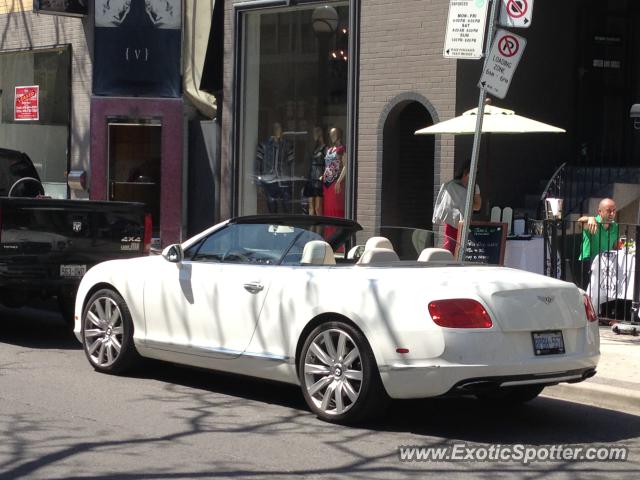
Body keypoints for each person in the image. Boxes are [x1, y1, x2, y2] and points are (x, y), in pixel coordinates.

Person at [432, 159, 482, 254]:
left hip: (465, 224)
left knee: (463, 250)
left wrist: (465, 204)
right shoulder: (452, 185)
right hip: (452, 223)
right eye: (473, 171)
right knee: (450, 249)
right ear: (466, 171)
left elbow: (478, 206)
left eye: (476, 172)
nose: (475, 174)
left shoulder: (475, 187)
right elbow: (445, 204)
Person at [576, 197, 619, 289]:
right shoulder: (592, 222)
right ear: (600, 212)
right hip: (589, 263)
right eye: (608, 211)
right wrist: (590, 218)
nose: (612, 213)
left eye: (614, 210)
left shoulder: (615, 226)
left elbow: (615, 246)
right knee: (587, 296)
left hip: (607, 264)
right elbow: (579, 222)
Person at [255, 122, 295, 213]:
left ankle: (285, 226)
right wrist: (259, 183)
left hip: (284, 182)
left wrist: (292, 181)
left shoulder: (288, 146)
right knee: (272, 209)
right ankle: (273, 226)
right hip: (270, 182)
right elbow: (258, 164)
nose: (277, 131)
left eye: (279, 128)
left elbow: (292, 164)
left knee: (287, 208)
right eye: (275, 128)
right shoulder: (263, 145)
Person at [322, 127, 346, 219]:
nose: (332, 136)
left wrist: (339, 181)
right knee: (327, 208)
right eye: (330, 134)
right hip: (326, 183)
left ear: (339, 135)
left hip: (336, 182)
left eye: (334, 134)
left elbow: (346, 166)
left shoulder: (342, 149)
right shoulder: (329, 149)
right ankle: (328, 232)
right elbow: (327, 165)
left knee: (335, 207)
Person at [303, 126, 326, 216]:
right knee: (311, 207)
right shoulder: (315, 147)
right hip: (311, 177)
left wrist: (323, 175)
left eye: (315, 133)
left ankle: (319, 228)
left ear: (319, 134)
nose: (313, 136)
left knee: (317, 207)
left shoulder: (325, 148)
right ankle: (311, 227)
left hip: (319, 178)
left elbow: (327, 164)